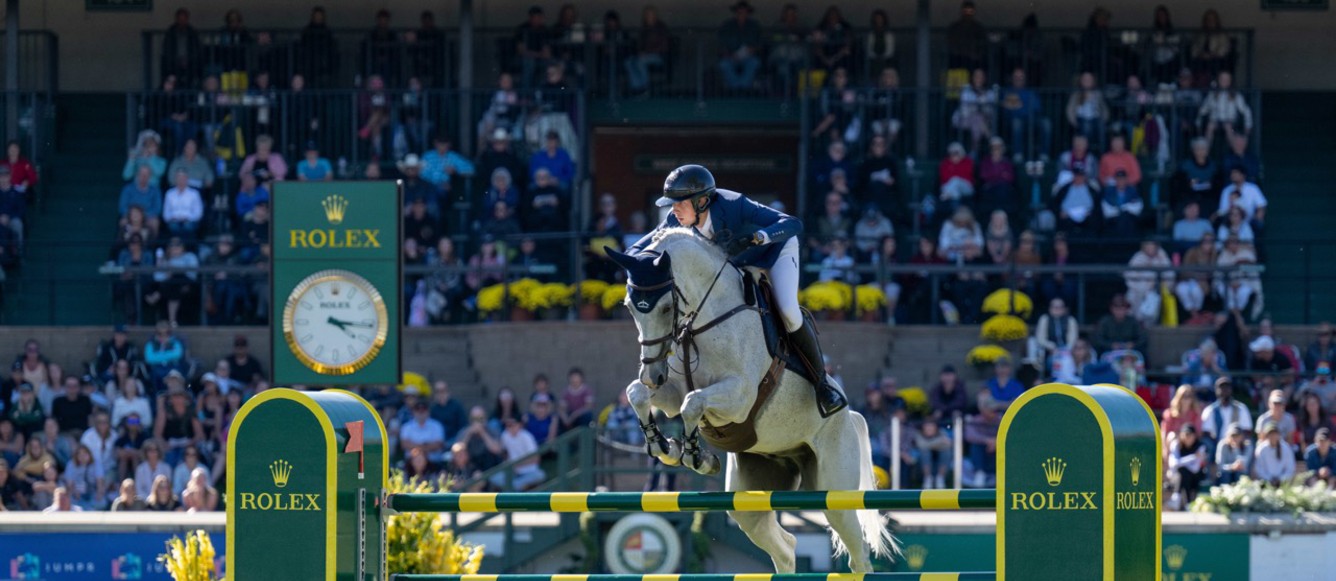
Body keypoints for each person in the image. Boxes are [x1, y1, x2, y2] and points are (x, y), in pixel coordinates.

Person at [628, 164, 847, 416]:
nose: (674, 209)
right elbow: (637, 249)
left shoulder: (733, 204)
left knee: (788, 310)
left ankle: (822, 384)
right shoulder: (673, 221)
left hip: (774, 252)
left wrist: (758, 237)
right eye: (672, 203)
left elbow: (791, 224)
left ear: (702, 201)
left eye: (680, 202)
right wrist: (635, 265)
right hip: (735, 265)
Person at [1000, 68, 1050, 161]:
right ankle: (1018, 155)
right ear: (1012, 78)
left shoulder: (1030, 92)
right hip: (1014, 120)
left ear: (1025, 79)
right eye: (1016, 77)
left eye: (1021, 77)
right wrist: (1024, 107)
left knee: (1046, 123)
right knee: (1017, 123)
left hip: (1032, 120)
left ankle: (1044, 154)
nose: (1018, 79)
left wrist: (1019, 107)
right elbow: (1007, 111)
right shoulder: (1007, 92)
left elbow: (1037, 108)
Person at [716, 2, 762, 91]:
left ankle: (743, 89)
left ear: (748, 13)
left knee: (754, 63)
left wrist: (752, 49)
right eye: (739, 12)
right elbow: (721, 44)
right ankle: (735, 89)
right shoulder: (727, 25)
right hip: (731, 56)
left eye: (744, 12)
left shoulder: (754, 26)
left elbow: (760, 44)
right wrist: (729, 54)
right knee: (724, 64)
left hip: (749, 56)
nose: (742, 14)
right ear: (736, 12)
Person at [625, 6, 671, 95]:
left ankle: (645, 89)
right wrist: (640, 51)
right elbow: (640, 44)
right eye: (647, 15)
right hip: (644, 55)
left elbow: (664, 46)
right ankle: (637, 88)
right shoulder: (644, 28)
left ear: (655, 15)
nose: (649, 16)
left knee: (641, 61)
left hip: (659, 56)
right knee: (628, 61)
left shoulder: (661, 27)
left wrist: (648, 52)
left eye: (650, 14)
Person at [1201, 377, 1252, 450]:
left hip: (1237, 444)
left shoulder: (1241, 408)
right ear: (1216, 390)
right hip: (1217, 444)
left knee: (1249, 444)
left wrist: (1236, 441)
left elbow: (1247, 431)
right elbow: (1206, 432)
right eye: (1221, 387)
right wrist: (1219, 444)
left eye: (1227, 387)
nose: (1224, 390)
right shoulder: (1210, 410)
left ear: (1231, 389)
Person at [1167, 425, 1206, 508]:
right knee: (1182, 472)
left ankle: (1177, 498)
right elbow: (1173, 464)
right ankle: (1186, 503)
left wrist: (1182, 463)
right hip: (1176, 477)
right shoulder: (1176, 444)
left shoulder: (1201, 446)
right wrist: (1193, 457)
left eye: (1190, 435)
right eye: (1186, 434)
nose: (1188, 437)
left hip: (1195, 477)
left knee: (1184, 471)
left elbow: (1195, 468)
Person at [1033, 298, 1078, 369]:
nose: (1057, 309)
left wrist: (1067, 350)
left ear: (1064, 308)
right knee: (1053, 361)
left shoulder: (1070, 320)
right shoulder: (1044, 319)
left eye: (1060, 307)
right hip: (1050, 351)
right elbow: (1040, 338)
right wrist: (1051, 347)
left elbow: (1073, 338)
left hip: (1068, 351)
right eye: (1055, 307)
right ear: (1050, 308)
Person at [946, 1, 986, 70]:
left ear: (974, 12)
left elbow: (982, 44)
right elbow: (950, 44)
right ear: (961, 11)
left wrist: (975, 54)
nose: (968, 13)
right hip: (957, 62)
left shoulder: (978, 28)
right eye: (965, 11)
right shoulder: (954, 27)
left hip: (974, 63)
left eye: (971, 11)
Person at [1161, 385, 1203, 451]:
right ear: (1179, 397)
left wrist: (1186, 437)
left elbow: (1198, 434)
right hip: (1173, 446)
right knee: (1171, 436)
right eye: (1184, 396)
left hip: (1191, 445)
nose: (1186, 399)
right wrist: (1164, 450)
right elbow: (1164, 434)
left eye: (1189, 396)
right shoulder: (1170, 414)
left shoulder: (1196, 414)